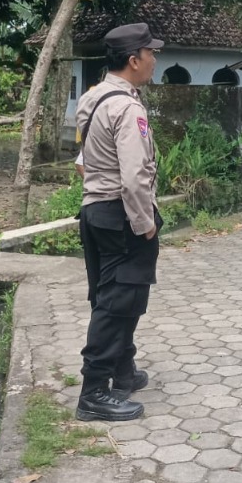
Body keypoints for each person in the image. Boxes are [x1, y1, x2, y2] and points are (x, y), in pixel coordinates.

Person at [74, 22, 164, 422]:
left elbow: (84, 162)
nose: (155, 59)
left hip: (95, 210)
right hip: (122, 214)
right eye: (150, 53)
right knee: (117, 303)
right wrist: (144, 222)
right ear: (133, 60)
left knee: (114, 296)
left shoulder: (92, 98)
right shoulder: (127, 106)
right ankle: (94, 393)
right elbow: (134, 175)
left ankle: (122, 371)